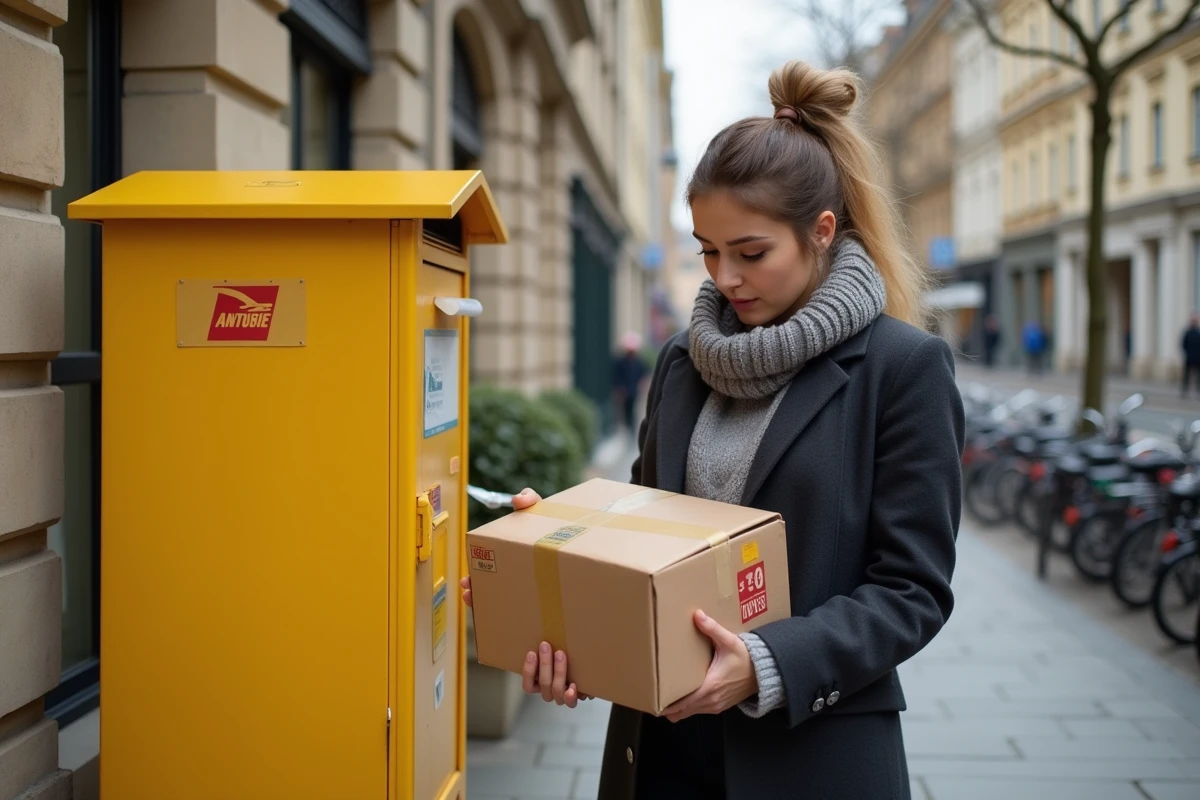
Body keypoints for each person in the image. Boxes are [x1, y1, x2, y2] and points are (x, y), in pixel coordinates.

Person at [462, 60, 963, 799]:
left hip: (810, 760)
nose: (724, 277)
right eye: (707, 250)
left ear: (821, 232)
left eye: (750, 253)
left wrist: (767, 664)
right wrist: (566, 557)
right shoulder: (681, 361)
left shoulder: (903, 368)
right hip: (660, 756)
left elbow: (912, 589)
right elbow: (642, 528)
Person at [612, 331, 648, 433]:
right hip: (624, 391)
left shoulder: (639, 362)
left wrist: (643, 385)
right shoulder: (621, 362)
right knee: (624, 410)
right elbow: (617, 376)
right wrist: (618, 389)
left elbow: (643, 375)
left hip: (633, 390)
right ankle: (627, 427)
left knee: (632, 410)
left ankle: (631, 428)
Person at [1182, 314, 1200, 397]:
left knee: (1198, 376)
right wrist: (1187, 353)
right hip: (1189, 357)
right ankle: (1184, 391)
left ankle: (1198, 391)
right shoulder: (1187, 333)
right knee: (1186, 376)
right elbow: (1183, 344)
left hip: (1197, 358)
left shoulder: (1198, 333)